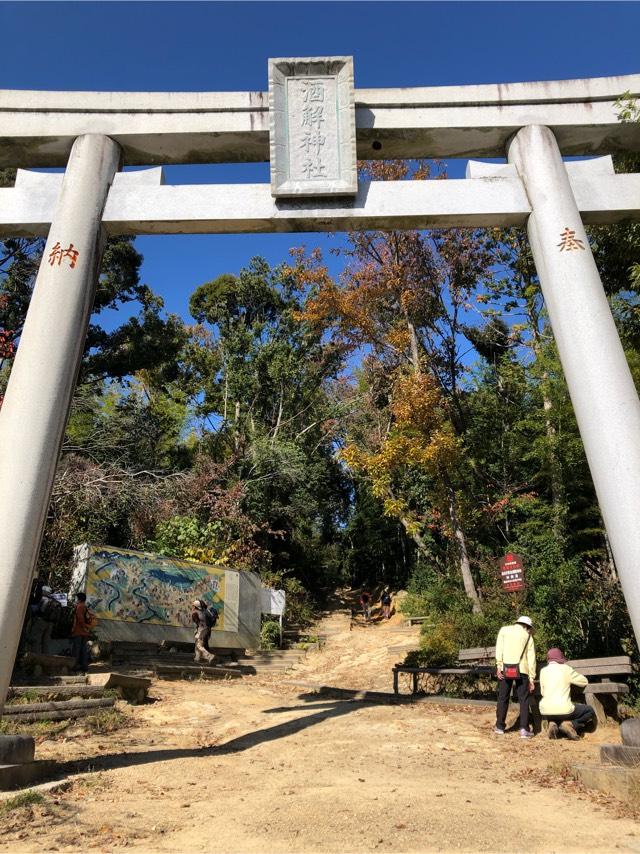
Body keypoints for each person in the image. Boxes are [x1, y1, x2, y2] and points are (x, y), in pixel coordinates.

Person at [494, 615, 537, 739]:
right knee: (524, 700)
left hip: (505, 669)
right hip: (522, 670)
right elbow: (531, 658)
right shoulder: (528, 636)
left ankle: (500, 727)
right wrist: (532, 678)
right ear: (527, 626)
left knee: (503, 698)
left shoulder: (504, 630)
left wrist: (498, 665)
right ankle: (524, 729)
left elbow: (499, 649)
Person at [539, 647, 595, 740]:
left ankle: (553, 724)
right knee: (589, 710)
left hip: (545, 710)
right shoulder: (566, 669)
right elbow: (584, 681)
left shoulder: (543, 671)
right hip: (565, 709)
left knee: (555, 712)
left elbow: (542, 692)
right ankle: (571, 724)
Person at [29, 586, 61, 654]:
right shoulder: (54, 601)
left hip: (41, 621)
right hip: (50, 624)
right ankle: (45, 656)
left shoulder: (43, 599)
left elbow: (36, 609)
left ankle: (36, 657)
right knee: (45, 641)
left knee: (36, 639)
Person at [71, 592, 93, 672]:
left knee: (76, 649)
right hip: (85, 632)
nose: (76, 600)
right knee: (83, 649)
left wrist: (83, 627)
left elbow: (80, 619)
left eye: (76, 598)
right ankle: (84, 666)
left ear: (79, 599)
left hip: (79, 631)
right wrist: (86, 628)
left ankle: (74, 666)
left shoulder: (79, 606)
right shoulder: (85, 607)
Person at [191, 599, 215, 663]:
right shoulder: (203, 611)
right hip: (205, 630)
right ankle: (197, 658)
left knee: (199, 645)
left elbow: (198, 623)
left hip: (202, 631)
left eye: (193, 606)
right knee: (197, 645)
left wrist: (198, 631)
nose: (192, 607)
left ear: (195, 606)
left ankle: (209, 656)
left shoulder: (195, 613)